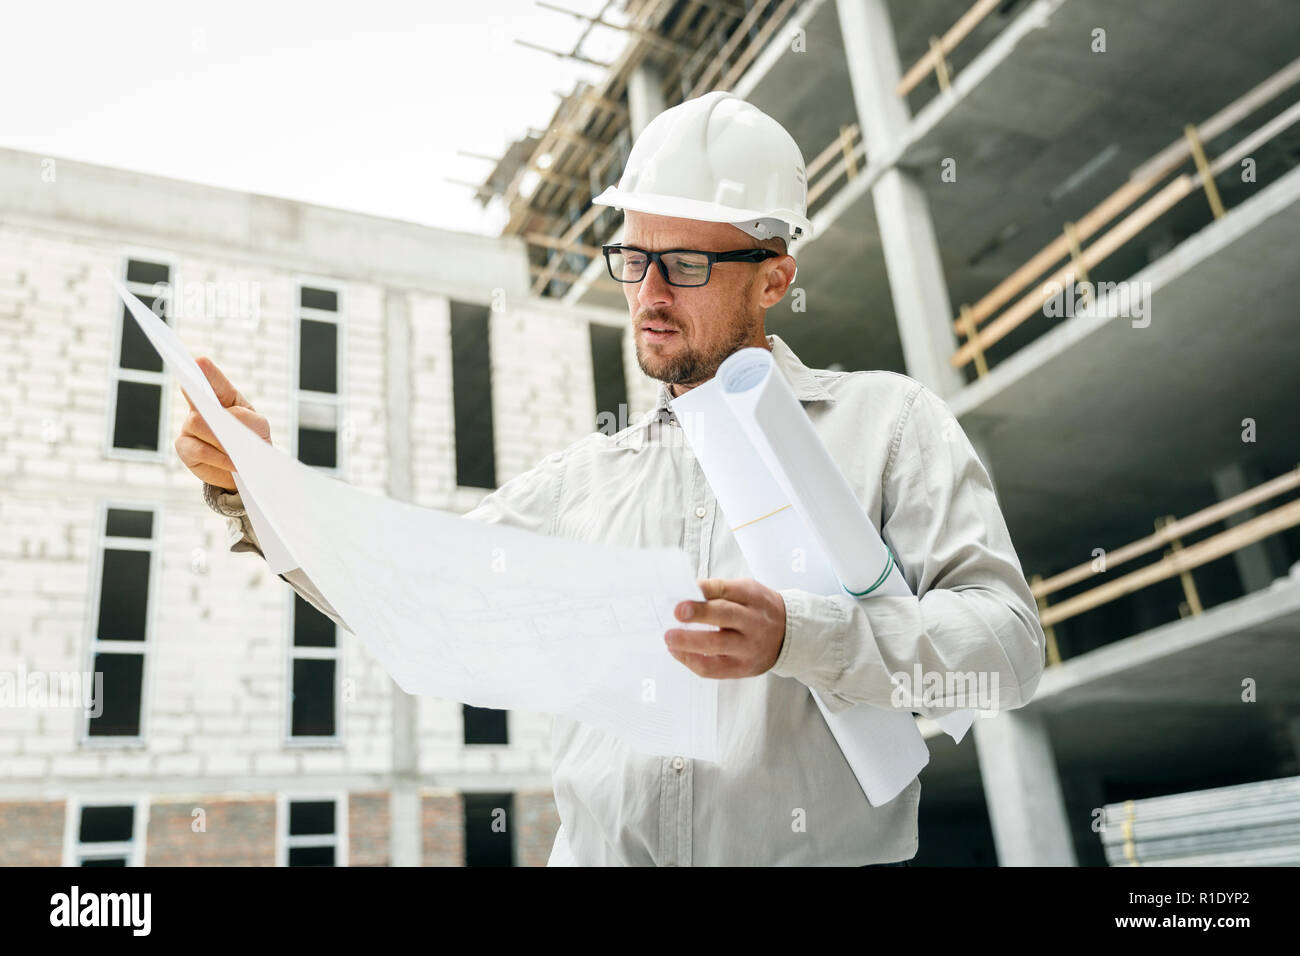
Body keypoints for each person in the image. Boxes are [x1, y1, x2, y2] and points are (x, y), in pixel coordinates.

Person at [176, 91, 1046, 866]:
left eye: (688, 265)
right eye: (634, 259)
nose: (650, 293)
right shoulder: (584, 480)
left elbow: (1004, 653)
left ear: (776, 277)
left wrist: (800, 636)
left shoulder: (886, 425)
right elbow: (414, 594)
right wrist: (259, 489)